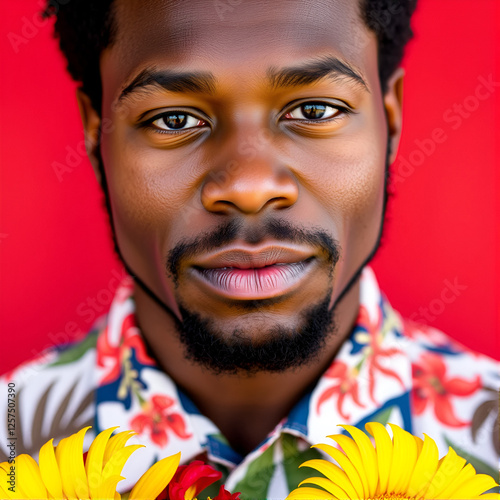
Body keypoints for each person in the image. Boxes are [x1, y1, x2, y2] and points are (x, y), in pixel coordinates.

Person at [1, 0, 498, 498]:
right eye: (174, 119)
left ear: (390, 123)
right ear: (96, 137)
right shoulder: (10, 451)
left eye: (314, 110)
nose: (249, 185)